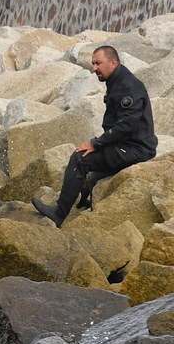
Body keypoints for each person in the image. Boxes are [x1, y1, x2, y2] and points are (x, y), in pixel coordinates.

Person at [32, 46, 158, 227]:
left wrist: (96, 144)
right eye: (93, 64)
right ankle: (86, 200)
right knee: (96, 174)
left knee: (80, 158)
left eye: (98, 63)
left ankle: (58, 213)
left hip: (136, 149)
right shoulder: (118, 80)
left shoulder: (128, 87)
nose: (94, 68)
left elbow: (125, 127)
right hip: (128, 145)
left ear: (113, 63)